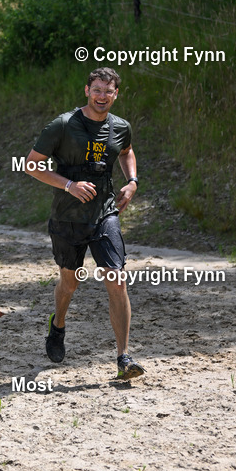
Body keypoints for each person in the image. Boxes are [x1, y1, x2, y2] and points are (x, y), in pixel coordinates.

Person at [24, 67, 145, 380]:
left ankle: (123, 357)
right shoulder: (63, 125)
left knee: (116, 279)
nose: (102, 96)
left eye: (109, 91)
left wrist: (131, 181)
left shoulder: (120, 127)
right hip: (68, 218)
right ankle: (58, 324)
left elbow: (127, 152)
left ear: (116, 94)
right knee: (70, 282)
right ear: (87, 91)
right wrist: (69, 185)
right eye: (97, 90)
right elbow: (32, 166)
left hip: (104, 214)